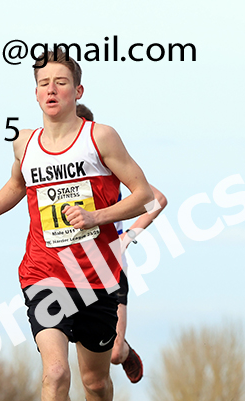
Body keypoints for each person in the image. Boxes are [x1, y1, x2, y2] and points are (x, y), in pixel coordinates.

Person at [0, 48, 154, 401]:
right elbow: (16, 185)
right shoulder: (24, 143)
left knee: (94, 380)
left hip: (96, 277)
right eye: (44, 82)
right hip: (43, 273)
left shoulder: (100, 137)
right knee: (55, 373)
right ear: (35, 92)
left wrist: (97, 216)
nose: (51, 89)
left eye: (61, 82)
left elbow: (144, 193)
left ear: (78, 91)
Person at [75, 104, 168, 384]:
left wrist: (129, 235)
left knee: (113, 353)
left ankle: (126, 353)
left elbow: (157, 199)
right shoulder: (54, 170)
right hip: (67, 268)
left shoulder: (108, 166)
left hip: (109, 266)